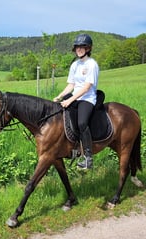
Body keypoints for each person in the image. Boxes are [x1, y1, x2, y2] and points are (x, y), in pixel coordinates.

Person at [53, 33, 99, 170]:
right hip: (75, 96)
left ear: (88, 48)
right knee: (63, 117)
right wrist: (60, 96)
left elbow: (86, 87)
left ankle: (88, 158)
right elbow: (71, 85)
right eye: (77, 47)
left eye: (82, 47)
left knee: (82, 122)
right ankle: (72, 149)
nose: (79, 49)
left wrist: (70, 100)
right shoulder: (75, 65)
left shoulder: (92, 64)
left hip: (87, 98)